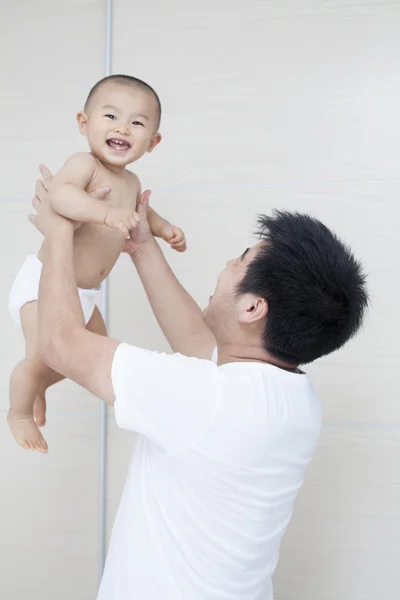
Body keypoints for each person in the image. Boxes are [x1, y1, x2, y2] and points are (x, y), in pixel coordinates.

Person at [30, 166, 368, 600]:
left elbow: (60, 344)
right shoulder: (293, 398)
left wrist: (57, 231)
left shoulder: (208, 399)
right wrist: (142, 247)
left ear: (252, 308)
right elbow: (198, 341)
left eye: (242, 259)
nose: (229, 264)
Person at [7, 74, 186, 453]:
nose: (122, 127)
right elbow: (61, 197)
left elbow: (142, 215)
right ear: (84, 124)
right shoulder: (84, 164)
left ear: (152, 142)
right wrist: (104, 215)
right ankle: (19, 410)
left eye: (137, 123)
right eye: (111, 116)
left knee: (91, 355)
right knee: (42, 356)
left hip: (84, 292)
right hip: (45, 284)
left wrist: (164, 228)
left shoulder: (133, 182)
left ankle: (37, 383)